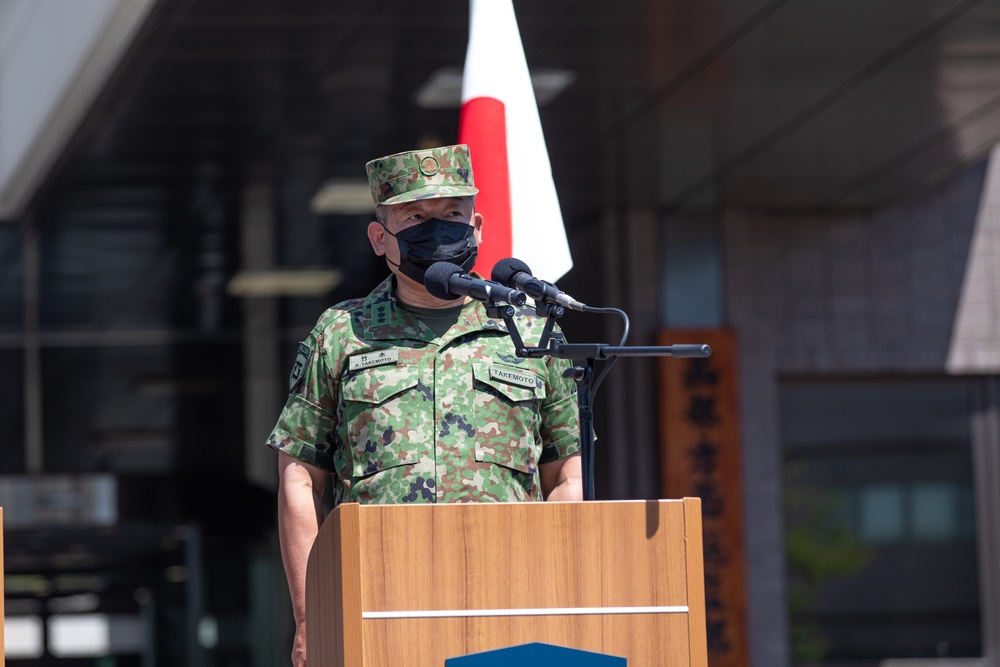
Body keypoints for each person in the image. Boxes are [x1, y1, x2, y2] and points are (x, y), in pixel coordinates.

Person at [266, 144, 582, 666]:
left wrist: (548, 584)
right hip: (377, 601)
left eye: (452, 215)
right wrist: (309, 617)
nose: (438, 230)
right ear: (378, 238)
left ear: (477, 227)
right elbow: (299, 479)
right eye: (415, 217)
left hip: (508, 603)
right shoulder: (342, 334)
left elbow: (567, 477)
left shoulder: (530, 332)